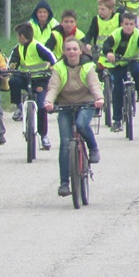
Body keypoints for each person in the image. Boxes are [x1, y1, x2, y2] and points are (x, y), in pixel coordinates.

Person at [44, 37, 105, 197]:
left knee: (81, 124)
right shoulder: (58, 67)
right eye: (68, 49)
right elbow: (53, 87)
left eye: (74, 49)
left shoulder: (88, 66)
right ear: (64, 52)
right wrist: (49, 102)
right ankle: (64, 183)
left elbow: (94, 85)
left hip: (86, 103)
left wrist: (99, 98)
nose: (71, 52)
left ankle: (93, 148)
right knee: (65, 143)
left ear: (80, 51)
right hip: (65, 105)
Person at [8, 22, 58, 149]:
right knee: (13, 81)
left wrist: (52, 66)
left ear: (22, 36)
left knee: (41, 106)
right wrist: (11, 69)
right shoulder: (18, 48)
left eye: (18, 36)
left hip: (40, 80)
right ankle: (19, 106)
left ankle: (44, 136)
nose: (18, 38)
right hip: (25, 78)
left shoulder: (37, 46)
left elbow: (52, 57)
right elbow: (13, 62)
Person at [101, 11, 139, 132]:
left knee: (138, 73)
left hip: (133, 60)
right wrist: (109, 52)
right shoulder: (116, 34)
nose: (129, 27)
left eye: (131, 24)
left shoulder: (138, 35)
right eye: (126, 24)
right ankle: (117, 121)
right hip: (119, 63)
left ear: (135, 25)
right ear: (121, 24)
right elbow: (106, 44)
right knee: (117, 90)